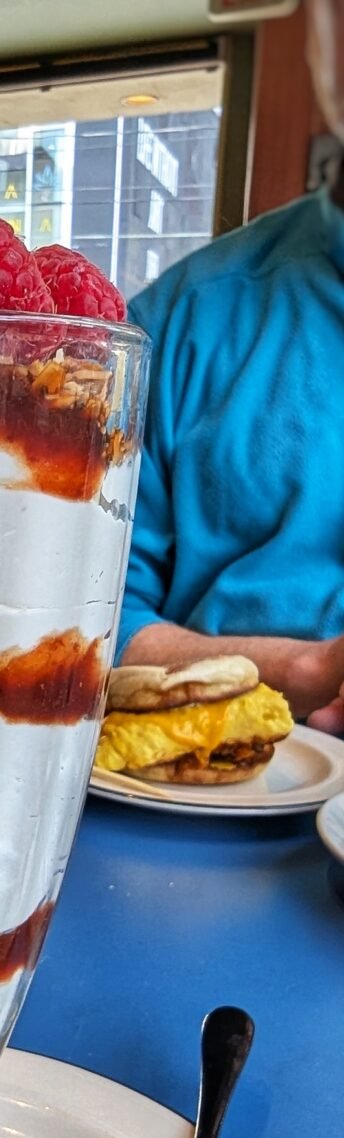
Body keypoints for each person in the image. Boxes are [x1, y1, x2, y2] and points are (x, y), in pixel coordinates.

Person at [117, 0, 344, 734]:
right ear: (318, 29)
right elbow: (86, 615)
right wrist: (304, 671)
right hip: (215, 804)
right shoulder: (170, 325)